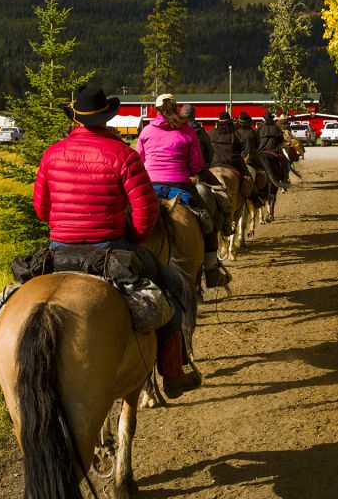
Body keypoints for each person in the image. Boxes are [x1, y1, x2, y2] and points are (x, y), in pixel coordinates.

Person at [33, 83, 200, 398]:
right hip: (109, 248)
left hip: (59, 250)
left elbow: (42, 209)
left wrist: (63, 226)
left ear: (77, 119)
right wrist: (134, 239)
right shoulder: (122, 155)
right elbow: (145, 211)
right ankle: (173, 373)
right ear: (106, 118)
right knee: (174, 287)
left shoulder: (51, 154)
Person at [137, 94, 228, 289]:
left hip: (151, 185)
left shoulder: (146, 131)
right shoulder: (187, 130)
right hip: (180, 184)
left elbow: (139, 159)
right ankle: (212, 270)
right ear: (176, 108)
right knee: (207, 222)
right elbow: (196, 164)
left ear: (156, 109)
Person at [256, 112, 291, 189]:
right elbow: (281, 140)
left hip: (261, 150)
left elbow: (256, 140)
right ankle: (285, 179)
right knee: (286, 163)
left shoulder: (260, 127)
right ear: (272, 119)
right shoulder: (276, 127)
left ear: (264, 119)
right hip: (275, 151)